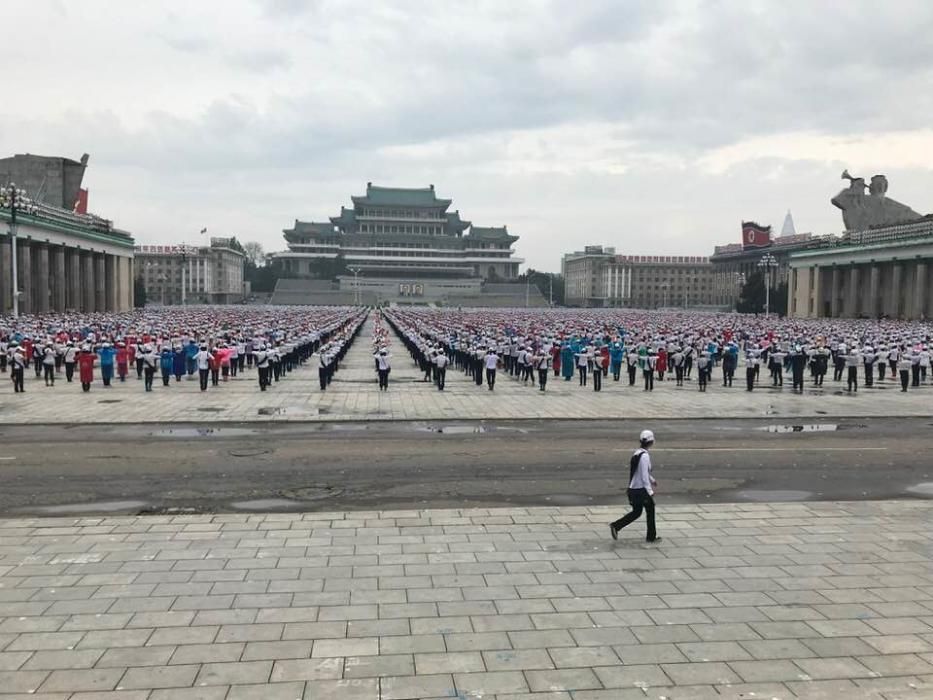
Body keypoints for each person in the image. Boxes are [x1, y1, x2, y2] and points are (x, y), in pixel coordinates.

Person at [609, 430, 660, 543]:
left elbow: (641, 472)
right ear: (651, 442)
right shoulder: (645, 456)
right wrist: (650, 490)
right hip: (640, 490)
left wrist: (652, 480)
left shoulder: (637, 453)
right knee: (650, 509)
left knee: (637, 512)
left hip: (633, 489)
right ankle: (651, 537)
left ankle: (616, 526)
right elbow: (643, 475)